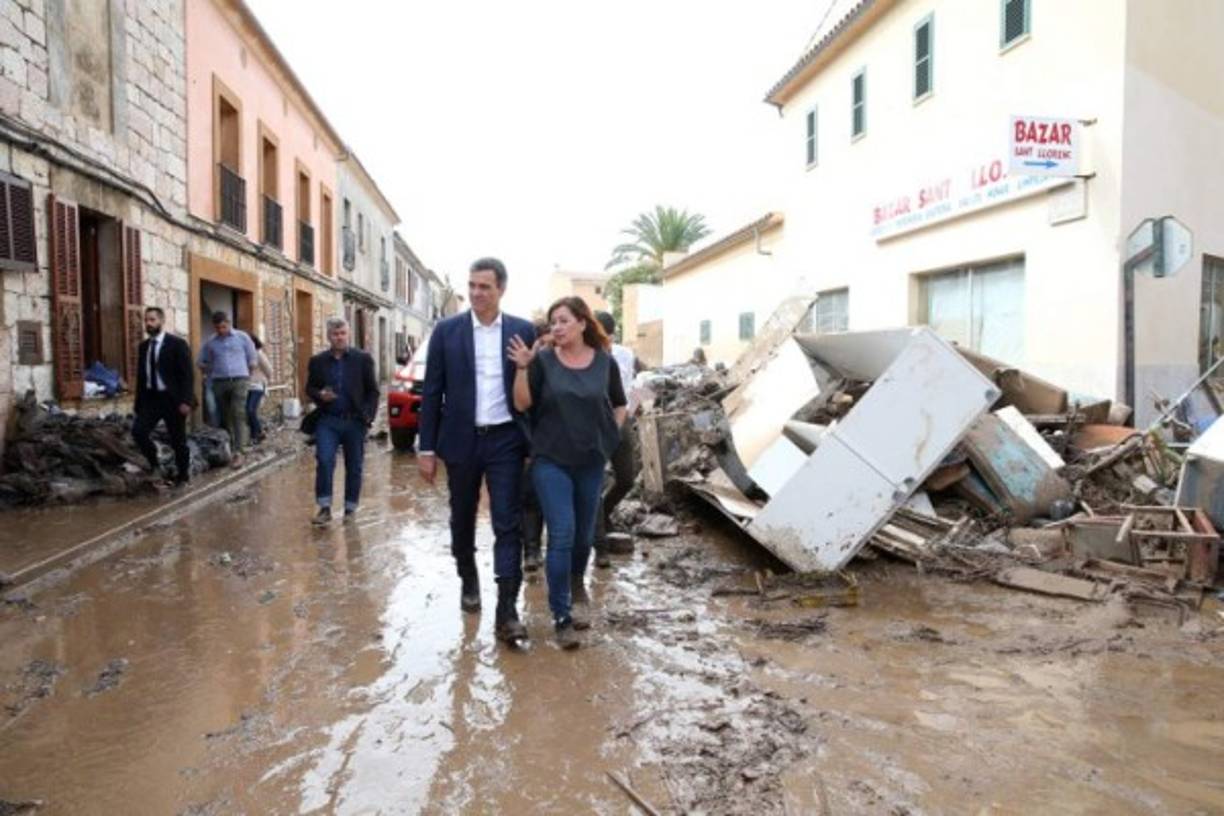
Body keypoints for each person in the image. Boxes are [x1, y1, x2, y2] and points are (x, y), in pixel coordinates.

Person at [418, 257, 536, 645]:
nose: (476, 293)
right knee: (462, 517)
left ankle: (507, 610)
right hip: (461, 440)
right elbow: (432, 391)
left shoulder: (522, 331)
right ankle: (468, 577)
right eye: (471, 286)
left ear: (501, 288)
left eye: (484, 286)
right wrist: (427, 447)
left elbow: (535, 390)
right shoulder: (447, 331)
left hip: (505, 439)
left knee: (507, 523)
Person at [509, 296, 627, 650]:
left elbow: (619, 404)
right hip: (551, 460)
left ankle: (577, 582)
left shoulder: (605, 363)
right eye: (552, 322)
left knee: (582, 537)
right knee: (561, 533)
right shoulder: (542, 360)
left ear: (581, 323)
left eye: (562, 321)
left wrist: (609, 440)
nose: (556, 328)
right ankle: (562, 616)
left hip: (590, 461)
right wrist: (522, 367)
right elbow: (521, 404)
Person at [306, 316, 379, 525]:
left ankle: (349, 509)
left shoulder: (362, 359)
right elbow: (309, 388)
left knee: (354, 465)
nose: (339, 337)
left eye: (343, 333)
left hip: (355, 421)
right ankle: (324, 508)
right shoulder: (318, 361)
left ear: (348, 334)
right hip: (328, 420)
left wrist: (368, 417)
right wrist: (320, 395)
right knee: (325, 460)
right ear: (329, 336)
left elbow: (373, 391)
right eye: (335, 334)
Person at [592, 310, 640, 568]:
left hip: (621, 421)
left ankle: (603, 513)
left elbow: (631, 384)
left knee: (626, 478)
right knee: (595, 481)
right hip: (595, 424)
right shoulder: (584, 357)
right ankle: (599, 542)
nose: (604, 342)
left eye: (607, 337)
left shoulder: (624, 355)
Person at [131, 307, 195, 486]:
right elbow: (141, 377)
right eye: (146, 320)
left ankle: (183, 475)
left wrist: (185, 400)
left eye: (152, 320)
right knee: (139, 432)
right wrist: (138, 405)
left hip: (172, 399)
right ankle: (155, 465)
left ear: (161, 321)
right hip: (151, 399)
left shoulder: (177, 344)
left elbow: (187, 375)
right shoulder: (144, 347)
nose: (148, 324)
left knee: (177, 440)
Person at [197, 311, 257, 467]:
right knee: (225, 416)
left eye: (223, 327)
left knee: (238, 412)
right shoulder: (211, 342)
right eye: (218, 328)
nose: (221, 330)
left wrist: (248, 376)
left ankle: (240, 451)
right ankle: (228, 448)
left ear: (229, 323)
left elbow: (252, 358)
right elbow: (201, 361)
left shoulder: (242, 337)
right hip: (219, 382)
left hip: (240, 380)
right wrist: (210, 368)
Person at [521, 319, 553, 573]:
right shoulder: (529, 366)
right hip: (533, 440)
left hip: (562, 442)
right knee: (531, 497)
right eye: (542, 340)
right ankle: (531, 550)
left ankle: (556, 551)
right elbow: (521, 406)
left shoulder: (567, 362)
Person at [246, 334, 275, 444]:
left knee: (250, 410)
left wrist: (263, 381)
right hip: (246, 386)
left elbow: (269, 370)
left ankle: (259, 432)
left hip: (257, 386)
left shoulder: (259, 354)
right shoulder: (245, 355)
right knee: (247, 411)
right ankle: (255, 435)